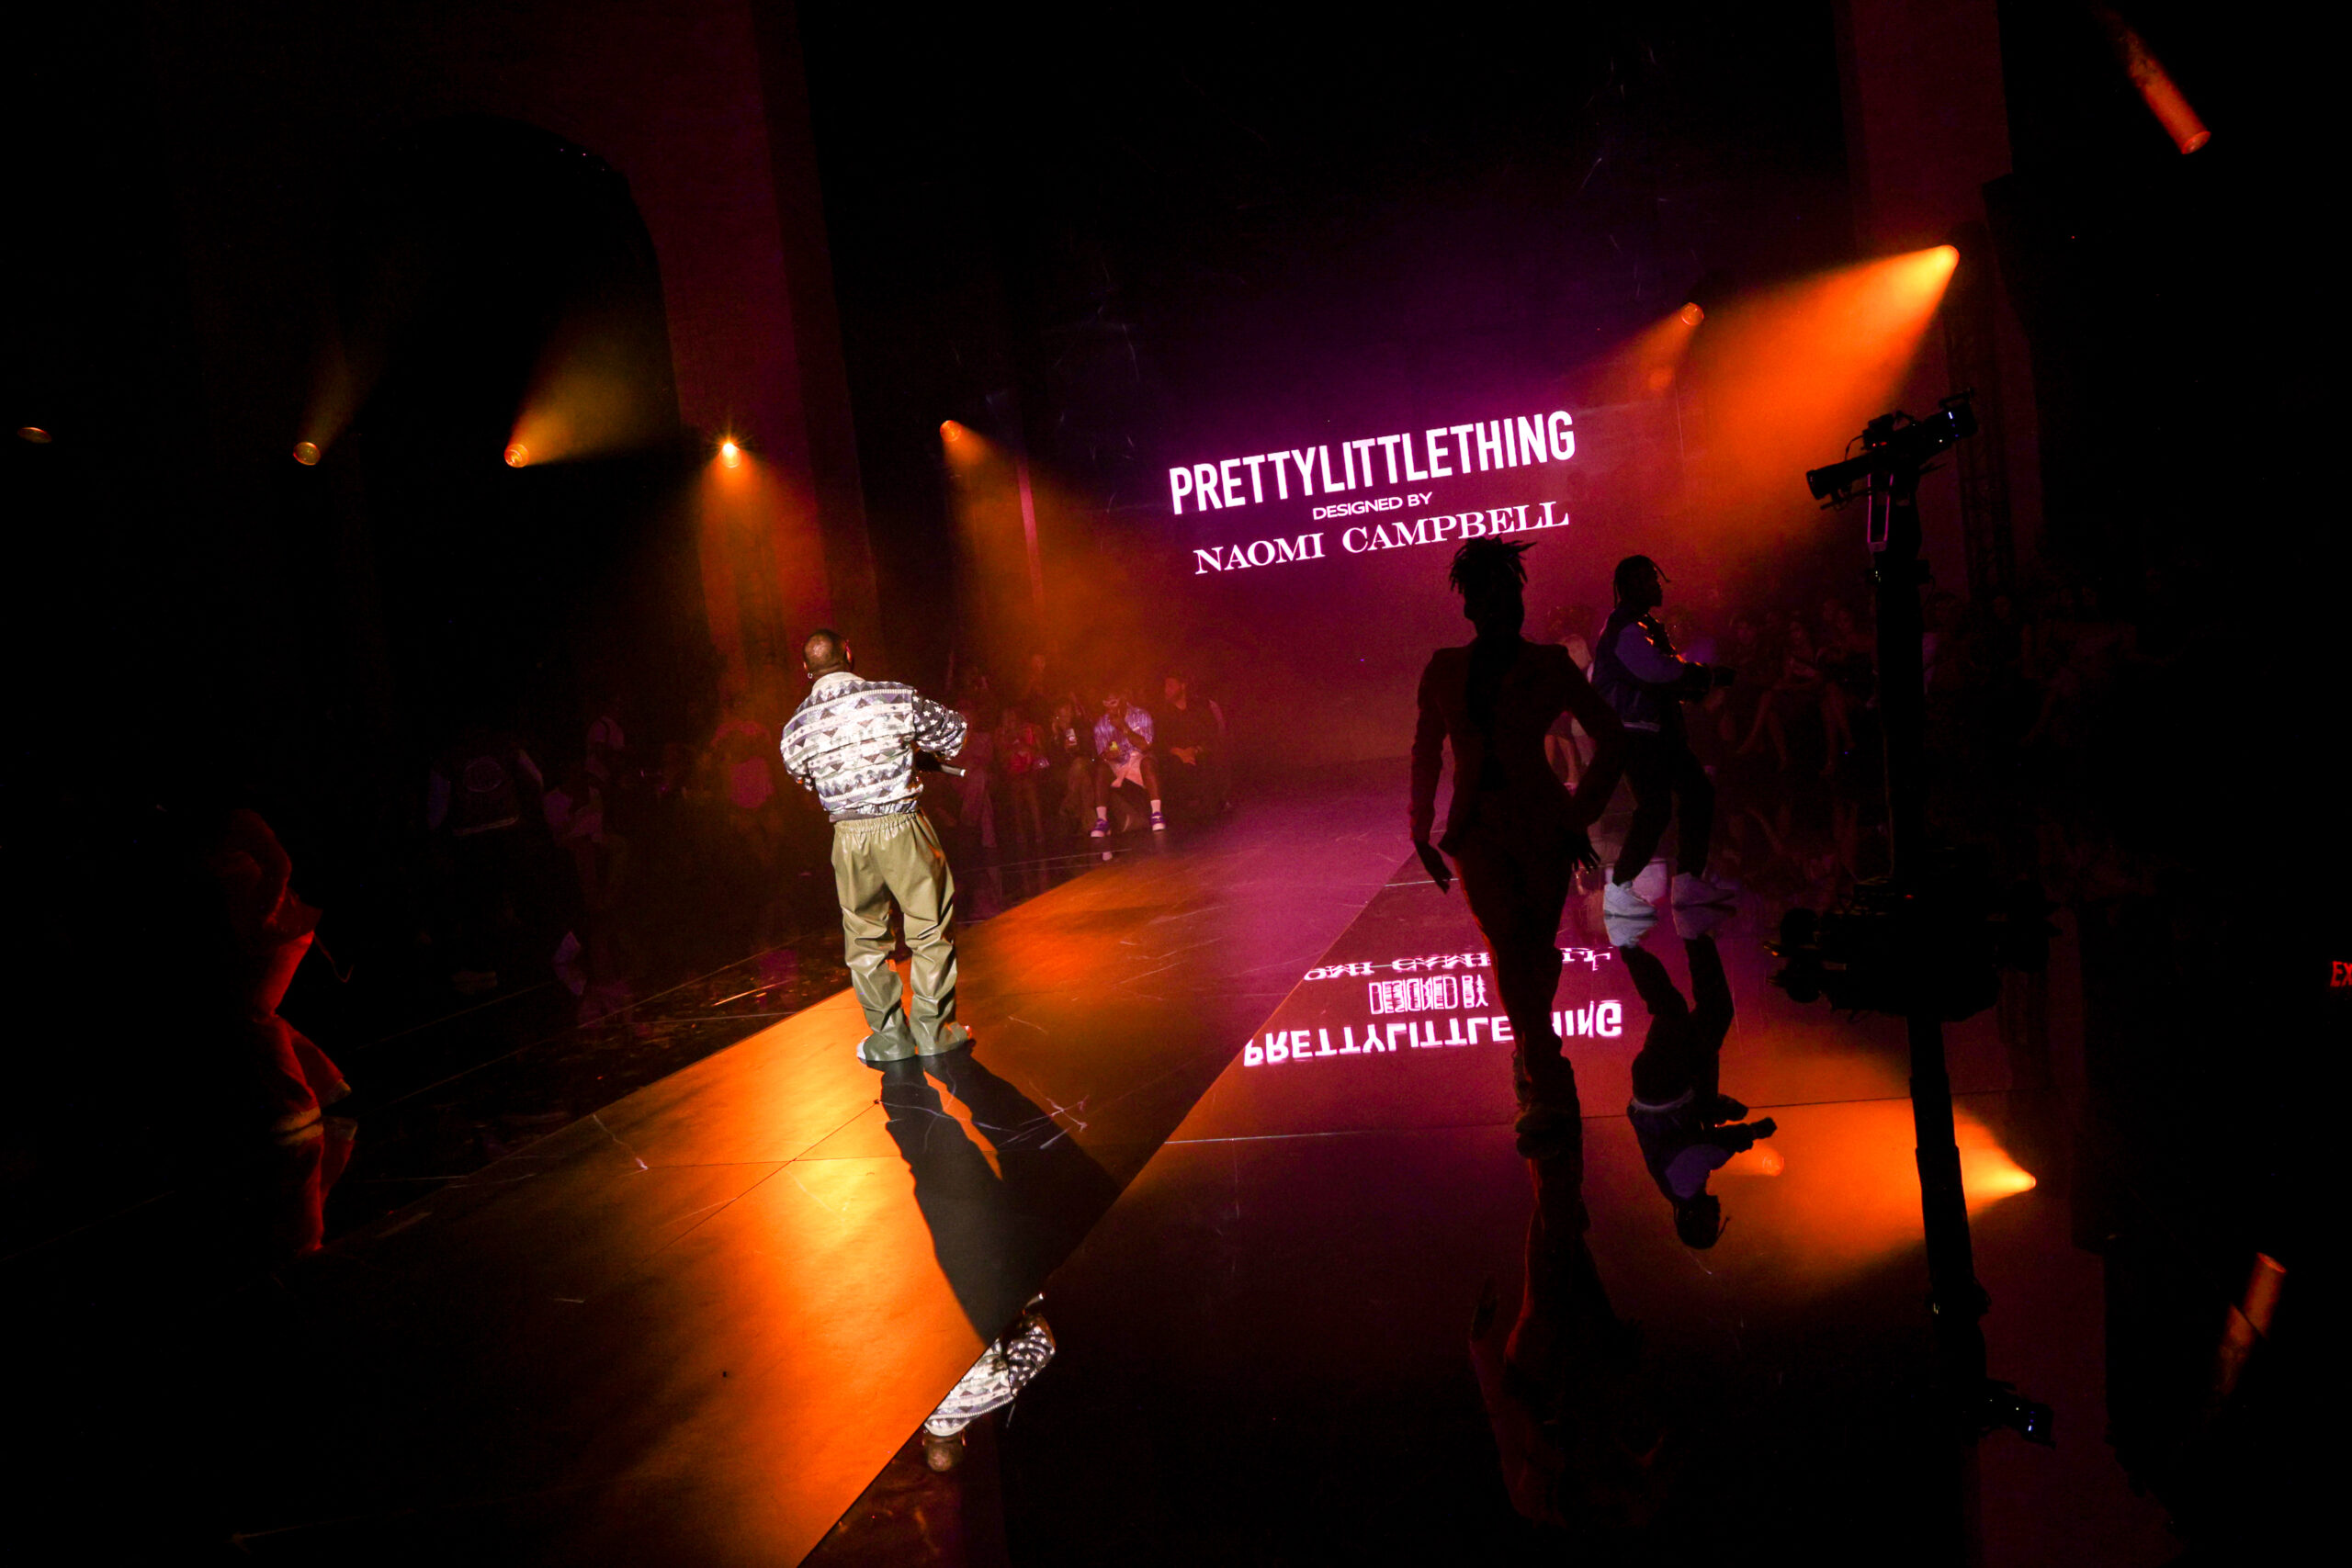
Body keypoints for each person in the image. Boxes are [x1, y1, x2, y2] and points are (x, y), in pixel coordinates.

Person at [1412, 538, 1627, 1166]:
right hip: (1485, 830)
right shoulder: (1449, 668)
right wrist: (1418, 829)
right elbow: (1425, 751)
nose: (1507, 604)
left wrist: (1576, 816)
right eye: (1495, 595)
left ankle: (1531, 1047)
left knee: (1531, 948)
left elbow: (1612, 738)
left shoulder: (1546, 664)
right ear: (1473, 607)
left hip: (1538, 824)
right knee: (1512, 946)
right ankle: (1544, 1070)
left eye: (1510, 594)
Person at [778, 628, 973, 1065]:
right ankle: (935, 1032)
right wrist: (910, 751)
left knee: (865, 941)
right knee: (929, 930)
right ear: (848, 653)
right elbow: (955, 734)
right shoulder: (894, 696)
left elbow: (806, 779)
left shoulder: (794, 728)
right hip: (901, 826)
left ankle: (890, 1041)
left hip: (848, 836)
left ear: (806, 668)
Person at [1591, 555, 1738, 920]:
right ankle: (1626, 889)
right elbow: (1658, 673)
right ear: (1634, 586)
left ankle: (1681, 883)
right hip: (1638, 733)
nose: (1658, 586)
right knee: (1661, 807)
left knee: (1684, 798)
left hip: (1650, 731)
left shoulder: (1637, 625)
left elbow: (1661, 675)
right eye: (1651, 580)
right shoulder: (1627, 629)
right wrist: (1707, 676)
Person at [1614, 921, 1777, 1248]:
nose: (1717, 1214)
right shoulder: (1678, 1188)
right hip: (1665, 1083)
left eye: (1711, 1221)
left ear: (1693, 1219)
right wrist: (1718, 1106)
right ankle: (1692, 932)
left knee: (1673, 1009)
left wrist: (1751, 1133)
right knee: (1714, 1010)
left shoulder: (1684, 1188)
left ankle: (1630, 941)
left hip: (1663, 1085)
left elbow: (1701, 1151)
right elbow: (1693, 1134)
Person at [1090, 685, 1165, 837]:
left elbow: (1145, 745)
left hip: (1138, 759)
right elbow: (1102, 752)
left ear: (1123, 699)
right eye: (1105, 703)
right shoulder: (1101, 724)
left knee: (1148, 762)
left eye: (1113, 702)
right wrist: (1109, 754)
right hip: (1118, 763)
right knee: (1101, 768)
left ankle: (1157, 814)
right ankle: (1102, 820)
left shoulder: (1141, 715)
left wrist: (1124, 727)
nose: (1109, 707)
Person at [1157, 671, 1227, 821]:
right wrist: (1177, 751)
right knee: (1172, 768)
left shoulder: (1199, 708)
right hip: (1175, 758)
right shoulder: (1163, 713)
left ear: (1182, 686)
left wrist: (1194, 749)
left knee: (1208, 763)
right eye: (1165, 686)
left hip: (1199, 754)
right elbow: (1159, 741)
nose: (1166, 690)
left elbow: (1211, 733)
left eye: (1171, 686)